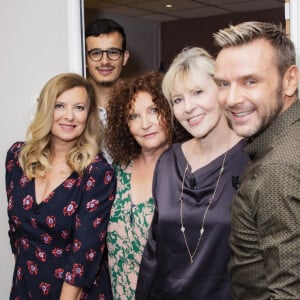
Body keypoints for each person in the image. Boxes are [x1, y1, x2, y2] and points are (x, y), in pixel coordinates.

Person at [135, 47, 249, 299]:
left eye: (197, 92)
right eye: (177, 99)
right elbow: (154, 250)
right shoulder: (168, 162)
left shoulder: (250, 159)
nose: (188, 107)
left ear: (221, 91)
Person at [5, 73, 116, 299]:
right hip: (25, 287)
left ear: (88, 114)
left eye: (79, 107)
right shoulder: (18, 157)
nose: (69, 116)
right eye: (60, 106)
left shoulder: (96, 173)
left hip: (74, 293)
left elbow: (84, 254)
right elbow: (17, 234)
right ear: (46, 109)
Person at [213, 21, 300, 299]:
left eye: (250, 81)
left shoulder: (277, 167)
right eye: (223, 84)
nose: (232, 99)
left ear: (289, 80)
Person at [105, 72, 174, 299]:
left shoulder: (185, 170)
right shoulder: (118, 169)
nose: (145, 124)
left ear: (170, 110)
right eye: (133, 116)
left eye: (154, 111)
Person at [85, 18, 130, 125]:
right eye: (96, 53)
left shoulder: (139, 103)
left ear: (125, 58)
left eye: (113, 52)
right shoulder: (75, 106)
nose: (105, 61)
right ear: (85, 60)